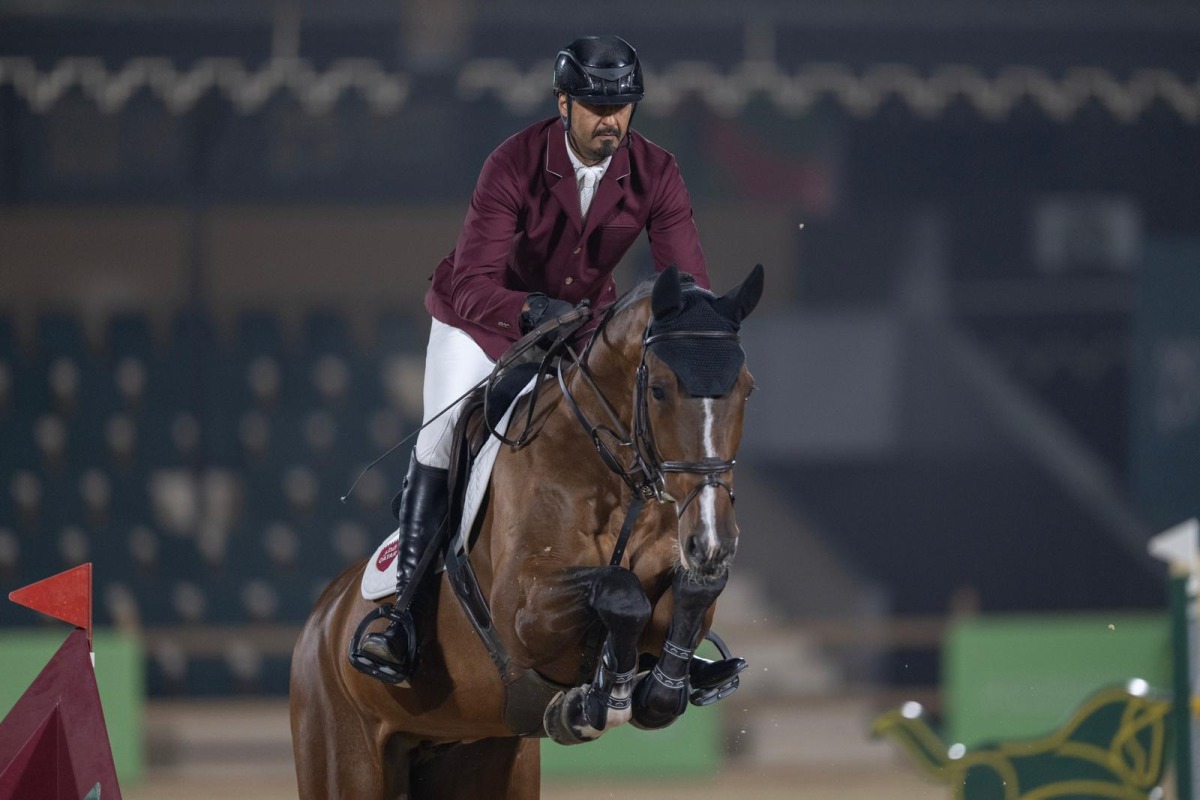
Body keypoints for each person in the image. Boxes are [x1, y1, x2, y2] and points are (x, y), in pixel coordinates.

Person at [351, 35, 714, 686]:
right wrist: (530, 312)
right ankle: (401, 615)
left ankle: (676, 626)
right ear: (563, 102)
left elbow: (685, 283)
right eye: (597, 107)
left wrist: (697, 335)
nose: (611, 121)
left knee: (644, 430)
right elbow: (470, 282)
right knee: (439, 437)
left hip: (580, 332)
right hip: (483, 324)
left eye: (622, 107)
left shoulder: (657, 172)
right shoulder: (513, 163)